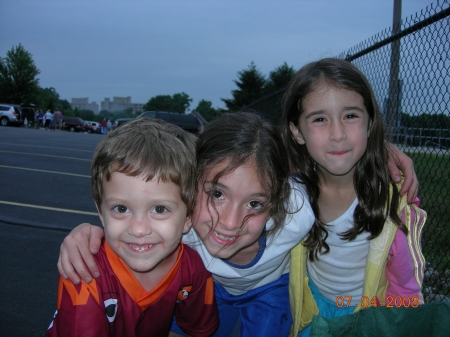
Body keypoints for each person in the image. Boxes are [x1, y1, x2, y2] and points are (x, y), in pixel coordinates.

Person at [56, 112, 418, 336]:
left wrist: (378, 149)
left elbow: (332, 159)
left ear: (276, 203)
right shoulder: (177, 223)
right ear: (189, 185)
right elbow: (140, 197)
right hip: (207, 288)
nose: (229, 223)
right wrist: (89, 233)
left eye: (256, 204)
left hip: (268, 291)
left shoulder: (300, 209)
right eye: (216, 193)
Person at [281, 58, 427, 337]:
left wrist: (405, 325)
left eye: (350, 116)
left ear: (370, 122)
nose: (338, 134)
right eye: (320, 119)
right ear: (297, 132)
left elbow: (404, 282)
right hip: (311, 310)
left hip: (369, 314)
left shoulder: (392, 201)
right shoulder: (290, 192)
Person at [45, 118, 218, 337]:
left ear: (187, 217)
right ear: (100, 212)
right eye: (121, 208)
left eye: (160, 209)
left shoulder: (193, 269)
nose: (138, 230)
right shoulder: (84, 272)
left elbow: (196, 330)